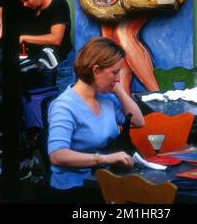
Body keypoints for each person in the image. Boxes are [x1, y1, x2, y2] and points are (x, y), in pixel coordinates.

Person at [47, 37, 144, 203]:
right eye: (114, 72)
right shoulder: (64, 106)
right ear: (96, 70)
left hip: (106, 183)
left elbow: (138, 121)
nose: (117, 78)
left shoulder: (105, 99)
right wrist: (105, 158)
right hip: (75, 190)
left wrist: (118, 90)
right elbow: (57, 155)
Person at [0, 0, 74, 91]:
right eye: (22, 1)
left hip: (58, 66)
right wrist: (3, 24)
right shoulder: (25, 3)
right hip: (34, 64)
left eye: (27, 0)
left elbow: (56, 38)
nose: (24, 4)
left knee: (56, 102)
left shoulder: (59, 5)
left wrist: (22, 38)